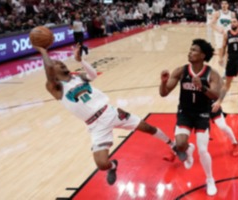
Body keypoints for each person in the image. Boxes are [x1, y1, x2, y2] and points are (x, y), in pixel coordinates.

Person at [32, 44, 175, 186]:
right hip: (95, 125)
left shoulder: (78, 77)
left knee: (147, 127)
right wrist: (43, 51)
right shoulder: (56, 88)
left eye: (60, 62)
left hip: (109, 112)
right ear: (52, 72)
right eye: (56, 64)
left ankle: (173, 145)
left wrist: (81, 61)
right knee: (102, 164)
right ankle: (113, 166)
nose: (60, 63)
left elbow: (93, 75)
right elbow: (49, 70)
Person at [160, 39, 222, 196]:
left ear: (202, 55)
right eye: (190, 49)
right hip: (185, 112)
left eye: (194, 50)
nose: (190, 52)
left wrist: (202, 87)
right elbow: (164, 93)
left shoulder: (212, 73)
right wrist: (163, 82)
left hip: (202, 113)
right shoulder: (181, 71)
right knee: (179, 144)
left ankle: (210, 179)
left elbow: (215, 95)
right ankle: (188, 149)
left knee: (203, 150)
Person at [211, 0, 235, 67]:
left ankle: (227, 66)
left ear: (228, 5)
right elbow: (211, 24)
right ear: (221, 5)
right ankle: (220, 60)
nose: (224, 5)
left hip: (228, 34)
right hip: (219, 34)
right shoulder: (217, 13)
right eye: (222, 4)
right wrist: (218, 29)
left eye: (225, 4)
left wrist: (234, 31)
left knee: (228, 50)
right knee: (221, 51)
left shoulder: (232, 14)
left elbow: (234, 23)